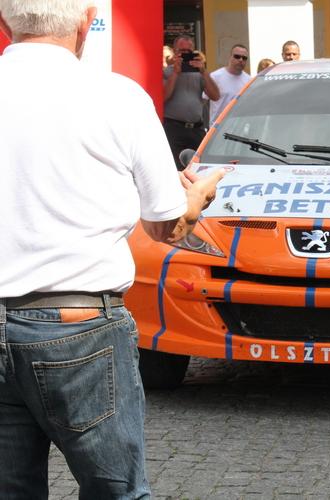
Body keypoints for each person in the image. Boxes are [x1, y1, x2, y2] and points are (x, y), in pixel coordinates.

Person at [0, 1, 225, 497]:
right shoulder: (117, 96)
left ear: (4, 23)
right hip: (79, 326)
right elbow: (167, 226)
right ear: (86, 21)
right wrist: (197, 197)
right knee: (116, 491)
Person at [163, 35, 220, 169]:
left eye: (188, 51)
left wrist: (203, 71)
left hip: (196, 129)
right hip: (174, 128)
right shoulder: (167, 72)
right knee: (176, 169)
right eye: (181, 51)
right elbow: (164, 96)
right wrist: (175, 73)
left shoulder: (198, 73)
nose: (185, 54)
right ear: (175, 52)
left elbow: (215, 96)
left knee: (198, 168)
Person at [206, 44, 251, 126]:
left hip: (240, 128)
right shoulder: (215, 76)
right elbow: (204, 101)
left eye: (244, 58)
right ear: (230, 57)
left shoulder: (249, 81)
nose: (241, 60)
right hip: (218, 128)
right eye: (237, 56)